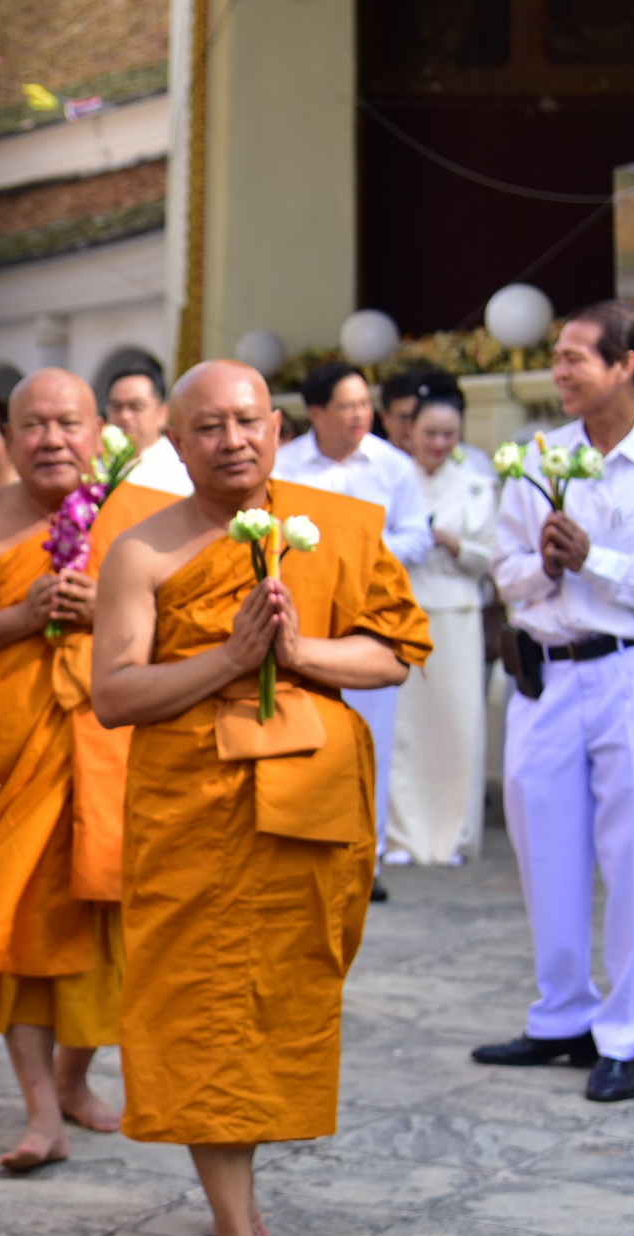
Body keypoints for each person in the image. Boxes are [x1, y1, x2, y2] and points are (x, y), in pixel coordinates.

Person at [93, 360, 428, 1236]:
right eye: (208, 427)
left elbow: (394, 651)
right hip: (192, 810)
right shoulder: (142, 550)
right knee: (206, 1018)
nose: (232, 439)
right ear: (177, 442)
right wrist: (229, 661)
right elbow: (116, 693)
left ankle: (234, 1196)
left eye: (247, 420)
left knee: (282, 1003)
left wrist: (299, 654)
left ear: (277, 428)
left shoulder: (338, 526)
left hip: (311, 803)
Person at [0, 369, 172, 1172]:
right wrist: (21, 613)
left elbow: (175, 627)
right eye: (32, 425)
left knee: (110, 932)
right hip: (9, 764)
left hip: (113, 756)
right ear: (6, 433)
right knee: (14, 934)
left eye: (68, 423)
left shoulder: (141, 521)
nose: (51, 439)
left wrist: (100, 610)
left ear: (99, 429)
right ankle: (42, 1112)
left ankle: (75, 1080)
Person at [474, 300, 634, 1104]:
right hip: (546, 672)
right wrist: (547, 570)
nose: (559, 370)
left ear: (628, 367)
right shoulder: (534, 456)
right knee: (543, 846)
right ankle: (561, 1013)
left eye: (576, 357)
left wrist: (601, 563)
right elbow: (504, 563)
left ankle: (625, 1034)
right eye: (556, 357)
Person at [274, 360, 433, 898]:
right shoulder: (286, 465)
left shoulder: (393, 466)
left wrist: (368, 557)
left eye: (365, 403)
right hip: (306, 617)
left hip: (369, 621)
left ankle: (372, 858)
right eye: (347, 405)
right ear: (315, 412)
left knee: (374, 740)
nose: (360, 414)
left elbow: (419, 534)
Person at [386, 382, 497, 866]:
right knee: (405, 727)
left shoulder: (477, 482)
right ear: (409, 431)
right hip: (402, 608)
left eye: (450, 434)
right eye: (430, 432)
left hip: (457, 611)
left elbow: (494, 554)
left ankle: (454, 835)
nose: (439, 443)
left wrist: (454, 543)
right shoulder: (392, 475)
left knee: (456, 725)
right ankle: (403, 836)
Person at [106, 365, 193, 496]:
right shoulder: (98, 467)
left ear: (162, 414)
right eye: (116, 407)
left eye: (136, 406)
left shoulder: (180, 470)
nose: (124, 416)